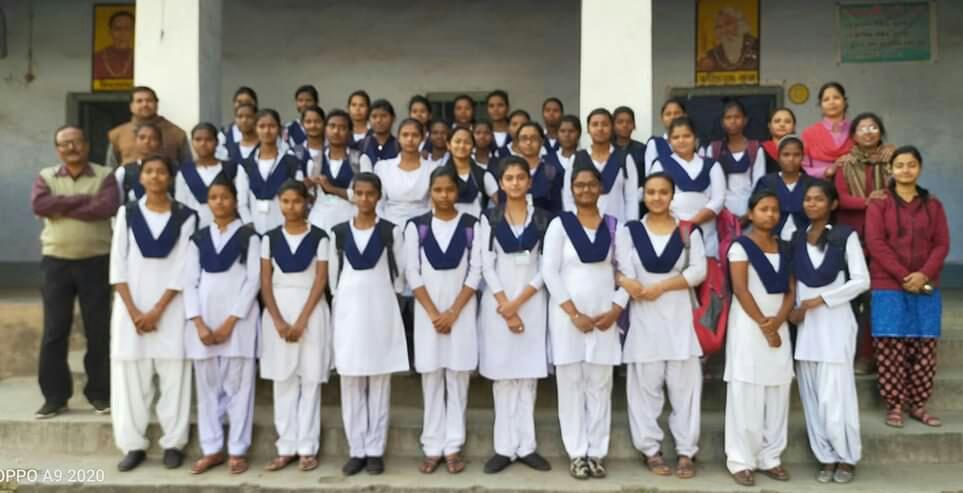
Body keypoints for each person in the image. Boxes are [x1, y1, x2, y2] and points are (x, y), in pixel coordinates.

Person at [109, 154, 197, 472]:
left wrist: (157, 310)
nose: (155, 176)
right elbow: (118, 263)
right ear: (141, 177)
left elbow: (184, 267)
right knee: (131, 378)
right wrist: (135, 311)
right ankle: (133, 444)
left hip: (170, 308)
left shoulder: (186, 216)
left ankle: (173, 443)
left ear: (171, 178)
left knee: (175, 376)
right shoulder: (127, 213)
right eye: (149, 171)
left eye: (161, 172)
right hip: (131, 307)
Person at [616, 172, 707, 480]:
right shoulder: (630, 231)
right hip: (644, 319)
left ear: (672, 195)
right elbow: (618, 268)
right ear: (643, 195)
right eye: (651, 192)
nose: (657, 198)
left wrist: (661, 287)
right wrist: (627, 282)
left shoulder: (687, 231)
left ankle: (686, 451)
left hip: (680, 320)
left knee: (686, 390)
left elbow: (698, 271)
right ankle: (650, 450)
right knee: (644, 390)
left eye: (663, 192)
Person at [543, 164, 627, 480]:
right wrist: (573, 313)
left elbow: (627, 272)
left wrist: (616, 310)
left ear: (601, 188)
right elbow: (549, 271)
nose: (586, 190)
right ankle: (577, 453)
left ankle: (597, 453)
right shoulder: (560, 225)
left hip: (604, 318)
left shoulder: (615, 226)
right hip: (568, 318)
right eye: (579, 185)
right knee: (570, 386)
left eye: (592, 184)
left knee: (600, 386)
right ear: (571, 189)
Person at [31, 125, 119, 419]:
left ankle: (100, 393)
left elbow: (106, 207)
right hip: (56, 263)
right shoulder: (46, 176)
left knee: (98, 330)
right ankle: (55, 397)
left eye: (76, 142)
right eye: (64, 144)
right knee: (55, 331)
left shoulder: (105, 175)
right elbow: (40, 204)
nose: (71, 148)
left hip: (96, 261)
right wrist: (83, 201)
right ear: (57, 149)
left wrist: (61, 207)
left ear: (87, 144)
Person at [788, 180, 869, 484]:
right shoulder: (796, 237)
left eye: (819, 199)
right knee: (811, 397)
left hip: (835, 324)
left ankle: (847, 456)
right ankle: (826, 457)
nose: (812, 204)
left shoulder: (845, 236)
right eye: (808, 199)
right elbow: (793, 280)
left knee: (836, 397)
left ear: (833, 204)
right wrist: (794, 308)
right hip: (806, 327)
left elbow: (861, 281)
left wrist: (820, 300)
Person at [329, 173, 409, 476]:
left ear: (379, 196)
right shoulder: (338, 233)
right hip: (349, 314)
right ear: (352, 195)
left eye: (370, 193)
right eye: (359, 193)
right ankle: (357, 449)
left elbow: (399, 276)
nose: (364, 199)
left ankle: (375, 450)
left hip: (380, 311)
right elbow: (334, 280)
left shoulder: (391, 232)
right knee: (350, 381)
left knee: (379, 381)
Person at [865, 146, 950, 429]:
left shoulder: (933, 204)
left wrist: (923, 274)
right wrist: (905, 276)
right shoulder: (880, 203)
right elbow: (876, 243)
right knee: (890, 345)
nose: (905, 170)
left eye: (911, 165)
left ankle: (919, 405)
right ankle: (895, 405)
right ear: (890, 169)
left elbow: (941, 244)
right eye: (899, 165)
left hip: (926, 285)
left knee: (924, 345)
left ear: (919, 168)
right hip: (888, 284)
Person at [478, 156, 552, 475]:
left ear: (529, 181)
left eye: (521, 177)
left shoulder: (544, 219)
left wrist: (518, 302)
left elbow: (547, 266)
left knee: (527, 377)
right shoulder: (490, 218)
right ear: (501, 183)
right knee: (503, 377)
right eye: (509, 178)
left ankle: (526, 447)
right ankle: (504, 449)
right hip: (498, 305)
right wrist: (506, 305)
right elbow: (485, 264)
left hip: (532, 303)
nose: (515, 183)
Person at [405, 167, 482, 475]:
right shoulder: (417, 227)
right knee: (432, 378)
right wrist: (434, 312)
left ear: (457, 192)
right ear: (430, 192)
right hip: (429, 315)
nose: (444, 195)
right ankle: (432, 446)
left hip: (460, 311)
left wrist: (453, 312)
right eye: (437, 190)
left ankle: (453, 446)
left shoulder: (472, 225)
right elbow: (412, 272)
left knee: (458, 378)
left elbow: (475, 271)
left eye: (449, 189)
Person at [183, 175, 261, 475]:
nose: (219, 202)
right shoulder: (199, 239)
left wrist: (230, 322)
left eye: (225, 197)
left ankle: (237, 450)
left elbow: (253, 281)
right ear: (208, 202)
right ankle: (212, 448)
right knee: (207, 390)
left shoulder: (249, 237)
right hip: (204, 322)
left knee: (239, 389)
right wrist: (199, 323)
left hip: (238, 324)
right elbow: (189, 282)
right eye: (214, 197)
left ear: (235, 200)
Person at [724, 190, 795, 487]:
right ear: (751, 213)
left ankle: (771, 456)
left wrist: (777, 323)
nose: (770, 214)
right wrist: (765, 326)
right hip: (748, 324)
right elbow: (741, 289)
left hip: (778, 324)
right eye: (763, 209)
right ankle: (741, 459)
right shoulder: (740, 246)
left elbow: (791, 291)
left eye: (775, 209)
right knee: (746, 390)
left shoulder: (785, 247)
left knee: (778, 389)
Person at [260, 180, 331, 473]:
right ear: (279, 202)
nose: (291, 207)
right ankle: (286, 446)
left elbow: (320, 279)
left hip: (311, 311)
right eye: (286, 201)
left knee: (310, 380)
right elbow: (265, 281)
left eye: (297, 201)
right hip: (278, 309)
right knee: (283, 380)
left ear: (307, 202)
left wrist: (302, 320)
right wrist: (277, 319)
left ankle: (307, 447)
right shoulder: (269, 238)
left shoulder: (320, 237)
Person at [834, 112, 895, 374]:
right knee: (850, 297)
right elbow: (841, 198)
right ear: (853, 135)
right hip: (853, 237)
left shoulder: (893, 161)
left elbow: (899, 192)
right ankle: (849, 352)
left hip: (885, 238)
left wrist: (879, 202)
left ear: (880, 132)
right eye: (862, 128)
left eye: (873, 127)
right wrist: (870, 201)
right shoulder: (844, 164)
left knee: (876, 298)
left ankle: (871, 356)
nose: (868, 132)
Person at [648, 117, 725, 258]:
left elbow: (719, 199)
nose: (681, 140)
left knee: (705, 265)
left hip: (705, 230)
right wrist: (679, 224)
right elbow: (656, 198)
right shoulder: (660, 164)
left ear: (695, 138)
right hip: (671, 229)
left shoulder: (712, 165)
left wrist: (692, 223)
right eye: (676, 137)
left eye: (686, 136)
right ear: (669, 141)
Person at [703, 99, 766, 264]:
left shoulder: (755, 149)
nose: (733, 121)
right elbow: (710, 186)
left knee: (748, 255)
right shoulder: (714, 149)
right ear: (722, 122)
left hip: (749, 212)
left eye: (737, 117)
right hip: (721, 213)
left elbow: (759, 183)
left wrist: (749, 213)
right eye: (728, 117)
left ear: (745, 120)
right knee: (724, 256)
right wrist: (723, 213)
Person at [238, 109, 305, 235]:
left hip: (284, 229)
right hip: (254, 229)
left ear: (279, 129)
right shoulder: (246, 165)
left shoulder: (291, 162)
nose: (267, 131)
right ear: (255, 129)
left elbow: (299, 197)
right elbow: (242, 203)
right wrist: (249, 225)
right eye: (262, 126)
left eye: (272, 126)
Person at [567, 108, 640, 222]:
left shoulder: (624, 158)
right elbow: (568, 196)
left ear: (612, 128)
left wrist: (630, 225)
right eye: (595, 124)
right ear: (588, 129)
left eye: (605, 124)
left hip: (616, 226)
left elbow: (631, 198)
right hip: (583, 226)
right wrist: (572, 223)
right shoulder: (577, 158)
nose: (600, 128)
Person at [306, 109, 374, 230]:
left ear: (350, 132)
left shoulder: (360, 160)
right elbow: (311, 197)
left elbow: (366, 194)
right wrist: (306, 186)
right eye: (332, 126)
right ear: (325, 129)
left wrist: (331, 189)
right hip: (319, 220)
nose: (336, 131)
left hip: (349, 219)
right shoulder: (315, 161)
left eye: (342, 128)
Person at [177, 123, 252, 229]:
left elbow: (242, 203)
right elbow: (181, 205)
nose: (203, 144)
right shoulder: (185, 172)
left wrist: (248, 224)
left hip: (229, 228)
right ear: (192, 142)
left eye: (208, 140)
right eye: (198, 140)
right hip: (195, 229)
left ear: (216, 142)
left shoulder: (233, 169)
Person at [374, 118, 438, 226]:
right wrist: (385, 227)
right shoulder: (383, 167)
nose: (410, 139)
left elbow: (433, 203)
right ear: (398, 137)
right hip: (389, 224)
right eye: (405, 135)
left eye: (415, 135)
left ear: (422, 138)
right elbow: (378, 203)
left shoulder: (432, 168)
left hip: (423, 225)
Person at [107, 86, 190, 168]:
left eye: (149, 100)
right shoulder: (118, 134)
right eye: (139, 101)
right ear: (131, 106)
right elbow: (110, 168)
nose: (145, 104)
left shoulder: (176, 133)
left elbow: (188, 168)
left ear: (157, 104)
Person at [753, 136, 814, 241]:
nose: (791, 159)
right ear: (778, 157)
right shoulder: (766, 183)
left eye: (796, 155)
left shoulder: (811, 184)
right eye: (786, 155)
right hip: (771, 241)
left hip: (806, 241)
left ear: (803, 157)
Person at [801, 82, 853, 179]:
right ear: (820, 105)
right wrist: (827, 171)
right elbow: (803, 168)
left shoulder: (856, 130)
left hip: (853, 181)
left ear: (845, 102)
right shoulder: (810, 133)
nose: (831, 102)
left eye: (836, 98)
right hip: (820, 184)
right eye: (826, 99)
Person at [444, 126, 498, 218]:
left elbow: (500, 203)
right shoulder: (440, 175)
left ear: (473, 147)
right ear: (448, 145)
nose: (462, 146)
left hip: (477, 225)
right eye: (457, 141)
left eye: (467, 142)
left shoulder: (483, 175)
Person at [515, 122, 564, 214]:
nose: (528, 142)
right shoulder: (509, 171)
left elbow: (556, 207)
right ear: (517, 143)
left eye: (533, 138)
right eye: (524, 138)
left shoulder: (552, 172)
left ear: (542, 142)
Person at [114, 122, 168, 205]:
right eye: (142, 137)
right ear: (135, 141)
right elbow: (118, 203)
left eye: (153, 138)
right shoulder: (123, 172)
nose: (147, 141)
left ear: (160, 143)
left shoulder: (171, 170)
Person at [696, 7, 760, 72]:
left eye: (728, 24)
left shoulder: (757, 45)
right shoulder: (712, 54)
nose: (723, 30)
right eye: (719, 27)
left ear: (740, 23)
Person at [644, 99, 687, 175]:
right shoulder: (655, 143)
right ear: (662, 118)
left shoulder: (690, 141)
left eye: (677, 113)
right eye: (668, 114)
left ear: (684, 116)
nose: (672, 117)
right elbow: (650, 174)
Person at [92, 10, 134, 81]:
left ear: (133, 31)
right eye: (118, 28)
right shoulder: (97, 58)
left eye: (127, 28)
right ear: (110, 31)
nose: (122, 33)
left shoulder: (140, 58)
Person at [217, 86, 258, 157]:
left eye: (247, 102)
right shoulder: (225, 133)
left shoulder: (264, 131)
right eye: (239, 102)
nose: (243, 105)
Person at [360, 99, 401, 164]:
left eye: (384, 116)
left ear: (393, 118)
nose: (378, 120)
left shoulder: (399, 146)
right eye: (374, 116)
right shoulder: (362, 145)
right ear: (368, 119)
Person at [612, 106, 646, 180]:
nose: (625, 125)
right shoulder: (607, 149)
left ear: (634, 125)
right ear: (613, 125)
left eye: (629, 122)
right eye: (620, 122)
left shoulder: (642, 149)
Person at [763, 108, 796, 174]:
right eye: (777, 121)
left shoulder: (801, 150)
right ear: (769, 125)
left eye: (787, 122)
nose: (782, 125)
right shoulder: (760, 149)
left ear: (794, 126)